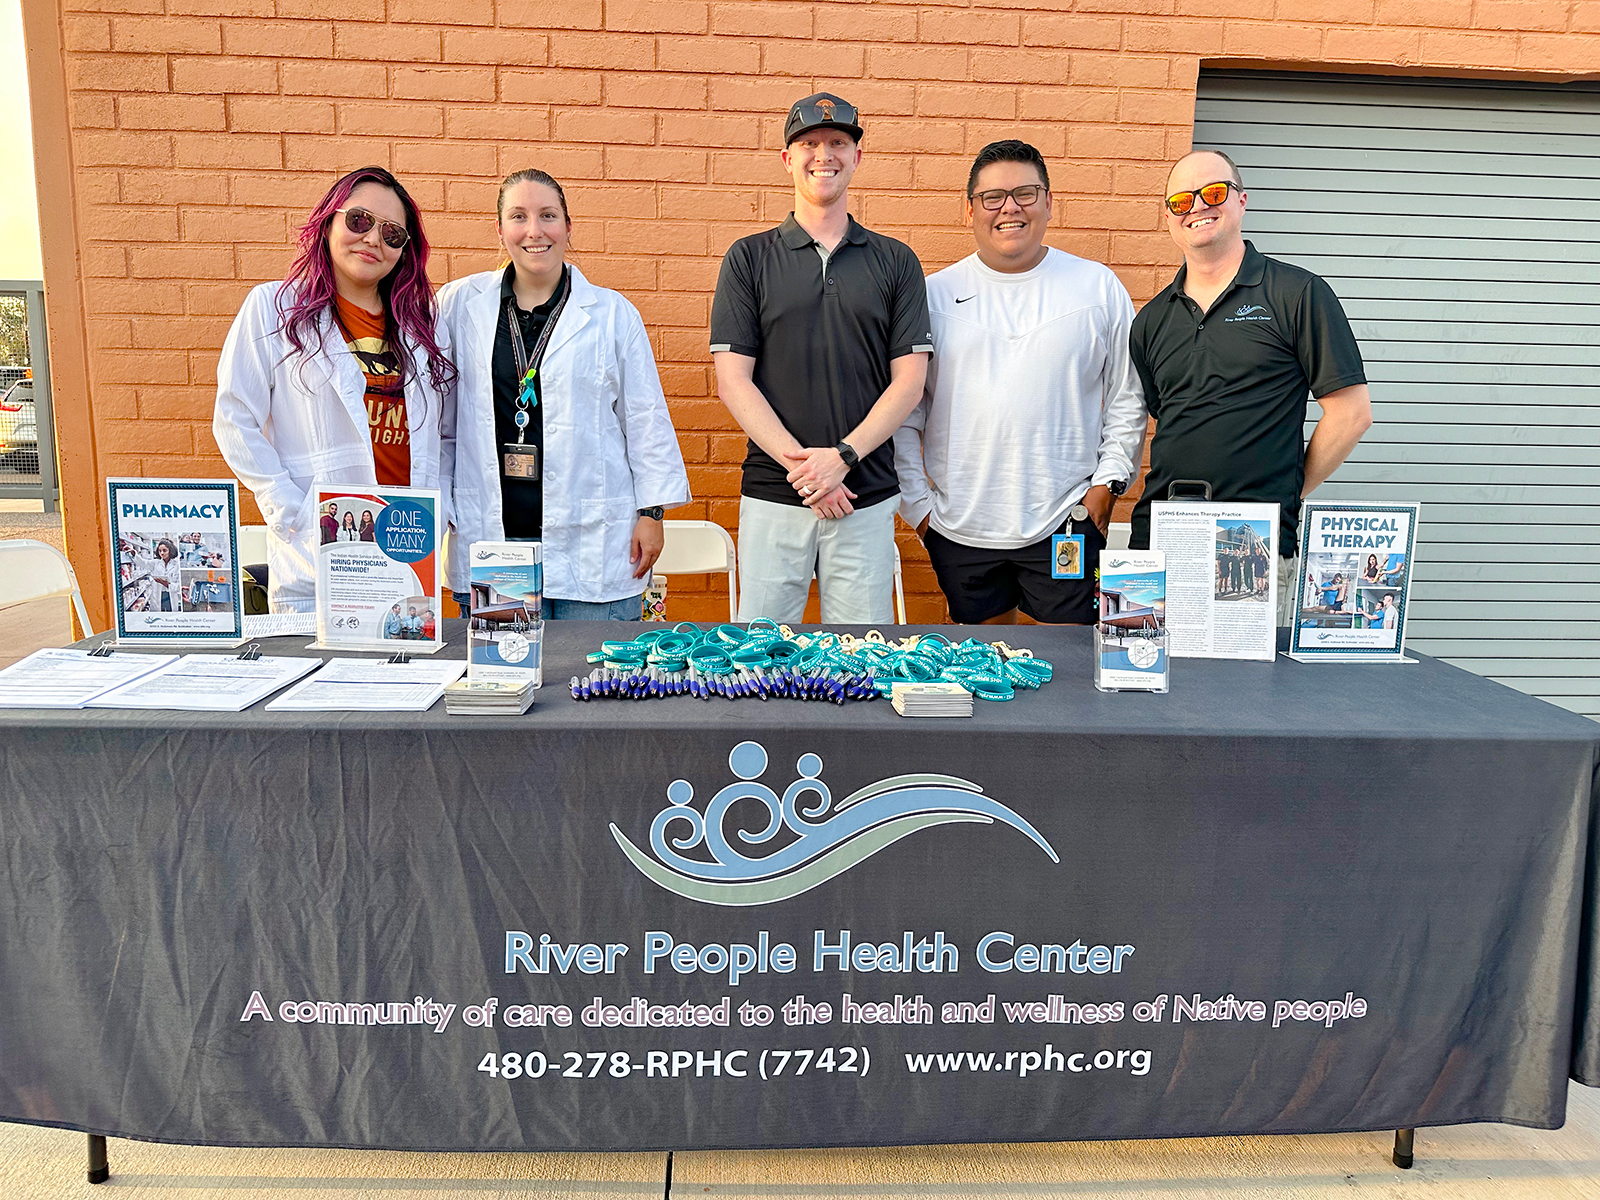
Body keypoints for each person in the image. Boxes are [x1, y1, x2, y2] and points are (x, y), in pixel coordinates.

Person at [894, 140, 1144, 626]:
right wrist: (918, 508)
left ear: (1049, 202)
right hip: (960, 528)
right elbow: (906, 411)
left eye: (1026, 193)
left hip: (1064, 522)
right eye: (993, 197)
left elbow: (1126, 397)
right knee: (981, 673)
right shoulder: (933, 296)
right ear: (970, 210)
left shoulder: (1096, 287)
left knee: (1067, 675)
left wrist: (1106, 487)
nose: (1010, 207)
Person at [712, 93, 933, 623]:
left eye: (838, 143)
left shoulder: (896, 261)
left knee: (860, 665)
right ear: (788, 159)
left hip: (865, 495)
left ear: (857, 157)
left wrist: (842, 459)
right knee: (760, 667)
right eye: (808, 144)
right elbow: (734, 381)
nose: (823, 155)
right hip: (774, 496)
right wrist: (809, 473)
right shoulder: (748, 258)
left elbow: (909, 381)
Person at [1129, 150, 1373, 625]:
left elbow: (1351, 413)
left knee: (1250, 698)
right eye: (1182, 200)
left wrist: (1289, 488)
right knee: (1147, 690)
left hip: (1254, 547)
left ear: (1241, 201)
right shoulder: (1151, 321)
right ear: (1169, 217)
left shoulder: (1296, 294)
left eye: (1213, 193)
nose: (1197, 206)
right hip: (1160, 544)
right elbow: (1172, 419)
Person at [438, 168, 689, 621]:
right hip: (495, 540)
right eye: (518, 216)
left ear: (568, 227)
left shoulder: (612, 314)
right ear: (499, 230)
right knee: (504, 676)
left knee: (592, 679)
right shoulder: (458, 305)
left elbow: (645, 418)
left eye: (548, 216)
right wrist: (441, 501)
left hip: (592, 541)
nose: (534, 231)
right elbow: (437, 418)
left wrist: (653, 514)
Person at [213, 166, 456, 612]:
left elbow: (446, 435)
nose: (372, 240)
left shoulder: (423, 326)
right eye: (359, 220)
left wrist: (437, 514)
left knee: (405, 673)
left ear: (405, 251)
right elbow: (233, 420)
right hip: (319, 553)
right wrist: (291, 512)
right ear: (328, 222)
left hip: (406, 548)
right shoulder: (273, 309)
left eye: (392, 233)